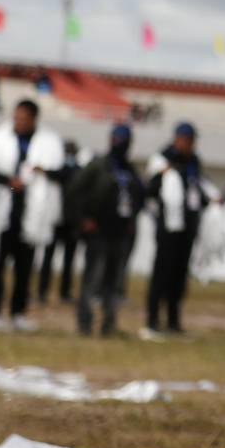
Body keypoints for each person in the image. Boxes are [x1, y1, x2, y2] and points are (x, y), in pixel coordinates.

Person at [0, 99, 64, 331]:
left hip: (31, 214)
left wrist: (42, 171)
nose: (18, 123)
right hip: (3, 209)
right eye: (16, 118)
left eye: (24, 119)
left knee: (24, 268)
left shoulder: (49, 143)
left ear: (34, 120)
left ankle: (18, 313)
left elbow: (62, 173)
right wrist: (10, 183)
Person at [67, 125, 147, 337]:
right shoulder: (98, 166)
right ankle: (85, 324)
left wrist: (131, 219)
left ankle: (108, 325)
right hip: (98, 232)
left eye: (123, 140)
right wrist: (83, 220)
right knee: (92, 279)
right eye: (116, 139)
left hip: (119, 233)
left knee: (113, 282)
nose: (119, 143)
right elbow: (74, 192)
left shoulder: (129, 170)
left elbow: (140, 196)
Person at [145, 122, 212, 335]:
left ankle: (173, 320)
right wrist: (164, 174)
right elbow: (151, 190)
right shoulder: (163, 159)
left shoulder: (194, 161)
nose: (189, 144)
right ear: (177, 139)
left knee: (179, 276)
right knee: (161, 273)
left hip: (188, 226)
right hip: (168, 227)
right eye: (186, 140)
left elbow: (197, 189)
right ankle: (153, 319)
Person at [35, 139, 83, 306]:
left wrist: (44, 170)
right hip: (56, 220)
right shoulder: (68, 170)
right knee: (49, 258)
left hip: (70, 222)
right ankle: (43, 292)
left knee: (67, 260)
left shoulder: (76, 171)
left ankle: (63, 292)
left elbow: (59, 174)